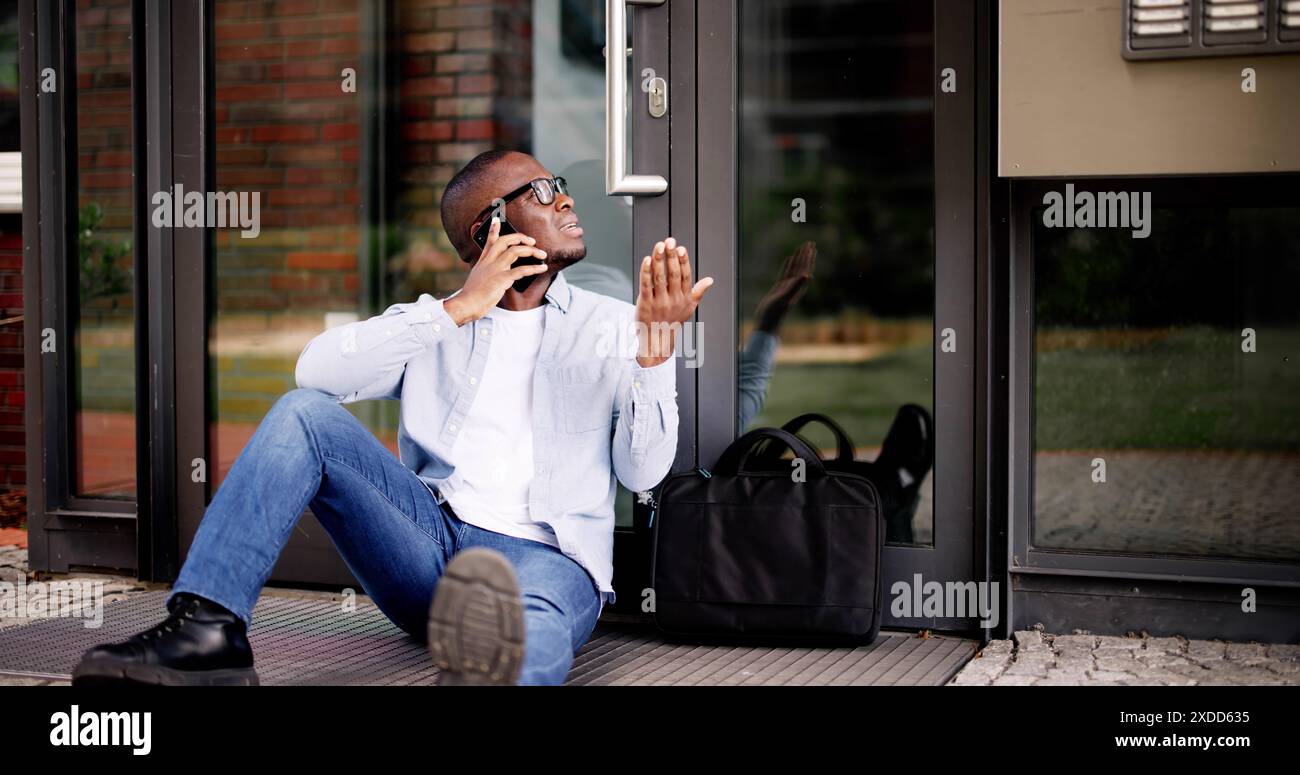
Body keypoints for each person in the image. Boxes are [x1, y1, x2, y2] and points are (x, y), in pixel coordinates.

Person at [71, 150, 712, 686]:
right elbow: (313, 375)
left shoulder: (613, 324)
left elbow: (643, 473)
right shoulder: (434, 323)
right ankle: (207, 631)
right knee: (304, 416)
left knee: (523, 639)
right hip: (428, 545)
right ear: (491, 229)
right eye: (543, 191)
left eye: (561, 187)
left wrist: (654, 354)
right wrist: (457, 309)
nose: (565, 201)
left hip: (549, 561)